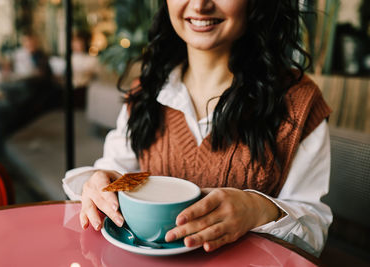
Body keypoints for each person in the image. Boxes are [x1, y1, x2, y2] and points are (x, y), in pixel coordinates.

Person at [62, 0, 332, 257]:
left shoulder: (298, 103)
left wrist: (259, 209)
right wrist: (101, 181)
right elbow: (115, 170)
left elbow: (314, 235)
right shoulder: (147, 93)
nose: (200, 5)